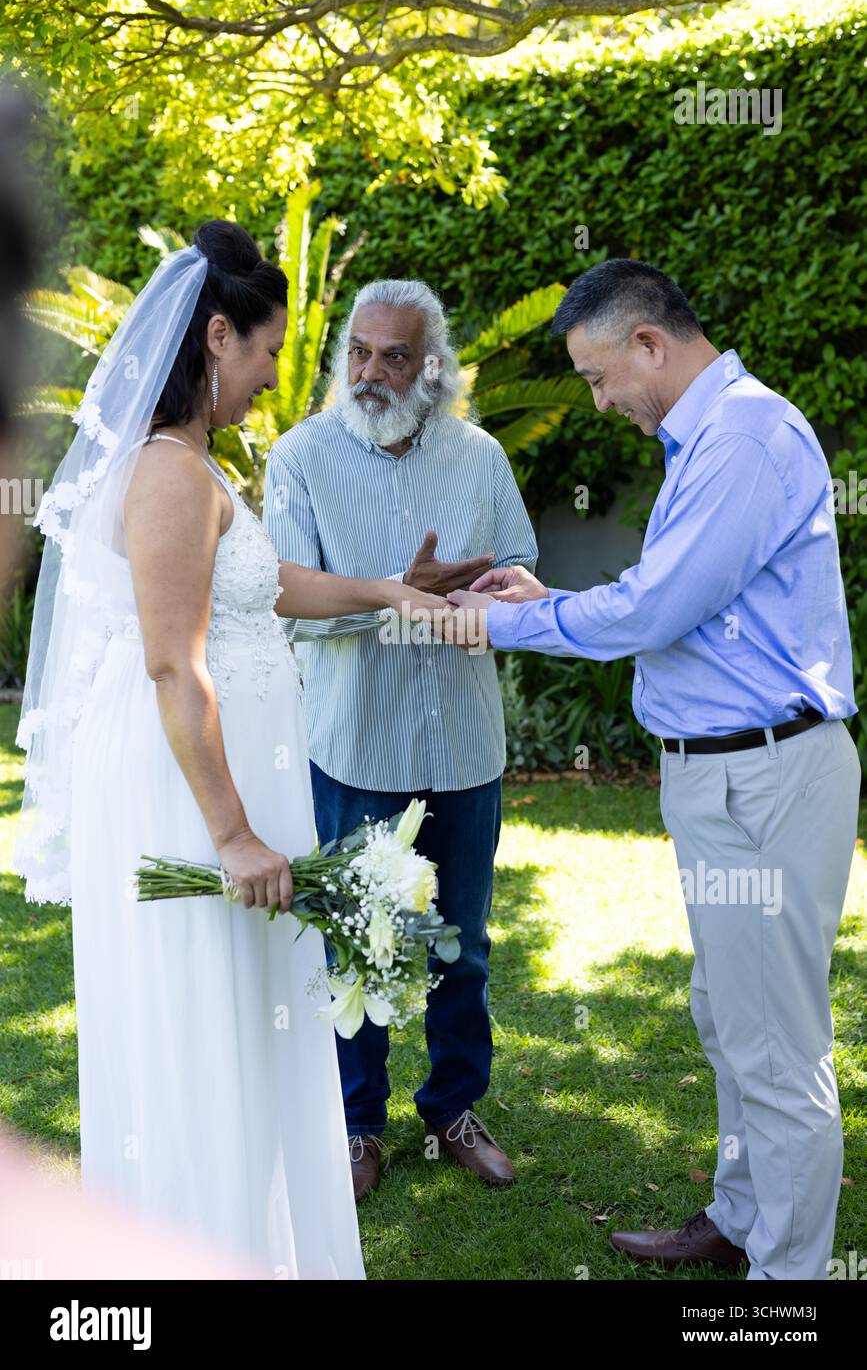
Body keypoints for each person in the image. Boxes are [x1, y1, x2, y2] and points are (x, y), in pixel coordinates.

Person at [14, 221, 442, 1277]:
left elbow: (271, 585)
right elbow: (173, 660)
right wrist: (236, 833)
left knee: (253, 1031)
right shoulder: (166, 473)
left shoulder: (195, 464)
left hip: (218, 791)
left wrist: (390, 589)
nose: (270, 375)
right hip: (190, 800)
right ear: (216, 336)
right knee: (204, 1040)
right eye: (263, 351)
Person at [444, 259, 861, 1281]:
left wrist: (507, 619)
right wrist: (549, 595)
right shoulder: (712, 438)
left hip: (761, 778)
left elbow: (655, 612)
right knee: (730, 1018)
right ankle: (740, 1220)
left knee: (775, 1049)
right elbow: (674, 594)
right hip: (727, 780)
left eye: (596, 377)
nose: (596, 401)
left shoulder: (748, 439)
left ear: (648, 344)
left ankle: (786, 1286)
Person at [264, 279, 538, 1200]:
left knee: (464, 944)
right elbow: (284, 601)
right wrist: (396, 586)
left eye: (393, 356)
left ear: (432, 366)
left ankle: (454, 1107)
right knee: (358, 941)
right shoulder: (301, 457)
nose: (371, 372)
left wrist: (478, 588)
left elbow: (518, 569)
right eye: (358, 352)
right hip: (356, 746)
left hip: (463, 743)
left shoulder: (479, 456)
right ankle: (354, 1126)